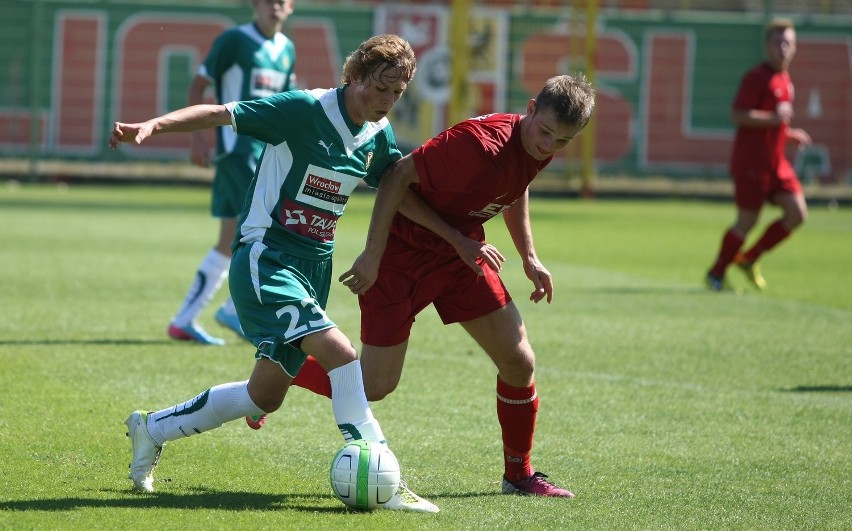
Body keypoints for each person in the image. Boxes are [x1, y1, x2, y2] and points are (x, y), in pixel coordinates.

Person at [109, 34, 438, 512]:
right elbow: (224, 112)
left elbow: (397, 189)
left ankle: (151, 428)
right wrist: (153, 126)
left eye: (397, 94)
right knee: (342, 354)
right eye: (379, 89)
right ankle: (386, 475)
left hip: (314, 267)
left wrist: (458, 236)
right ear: (355, 76)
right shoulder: (303, 110)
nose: (386, 102)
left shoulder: (377, 135)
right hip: (266, 257)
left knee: (263, 397)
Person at [290, 74, 596, 498]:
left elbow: (515, 185)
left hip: (461, 258)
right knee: (375, 385)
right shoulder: (477, 145)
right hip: (403, 257)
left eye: (562, 142)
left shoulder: (538, 142)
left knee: (519, 361)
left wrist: (529, 255)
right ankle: (283, 370)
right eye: (545, 133)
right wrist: (373, 254)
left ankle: (519, 475)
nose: (548, 146)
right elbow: (396, 177)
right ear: (529, 109)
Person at [169, 0, 298, 345]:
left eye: (282, 2)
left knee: (229, 240)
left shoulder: (287, 49)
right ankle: (231, 310)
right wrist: (197, 138)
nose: (275, 7)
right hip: (238, 151)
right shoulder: (234, 40)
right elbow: (198, 86)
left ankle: (184, 320)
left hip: (264, 154)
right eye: (268, 1)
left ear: (292, 7)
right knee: (270, 228)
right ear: (255, 5)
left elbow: (285, 104)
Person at [706, 18, 811, 292]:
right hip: (752, 164)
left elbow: (774, 124)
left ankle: (749, 258)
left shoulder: (785, 81)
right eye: (778, 42)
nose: (783, 48)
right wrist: (773, 119)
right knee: (747, 221)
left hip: (777, 164)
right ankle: (715, 273)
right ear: (767, 46)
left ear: (795, 47)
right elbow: (738, 113)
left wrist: (789, 133)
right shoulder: (757, 78)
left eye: (788, 42)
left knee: (797, 213)